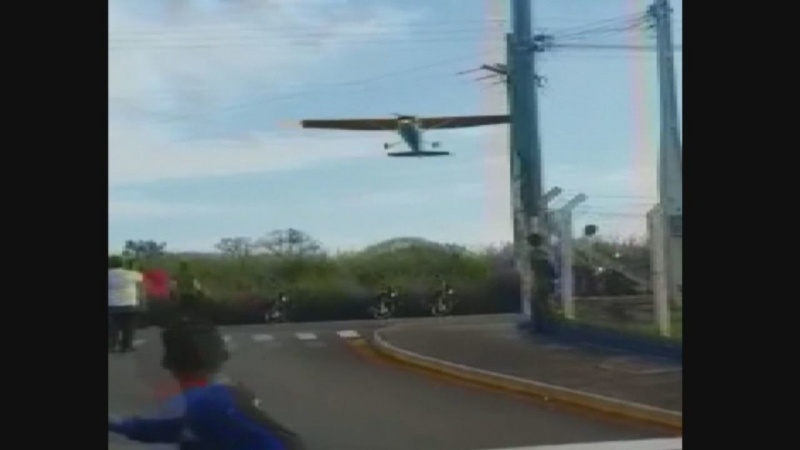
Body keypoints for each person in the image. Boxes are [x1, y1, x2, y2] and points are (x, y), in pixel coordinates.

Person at [108, 317, 306, 449]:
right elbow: (182, 429)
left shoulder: (204, 402)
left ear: (169, 363)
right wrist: (122, 424)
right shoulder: (221, 396)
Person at [108, 255, 145, 353]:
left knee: (112, 327)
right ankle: (126, 346)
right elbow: (140, 282)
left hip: (112, 305)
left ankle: (112, 345)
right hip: (130, 304)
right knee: (129, 327)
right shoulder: (132, 274)